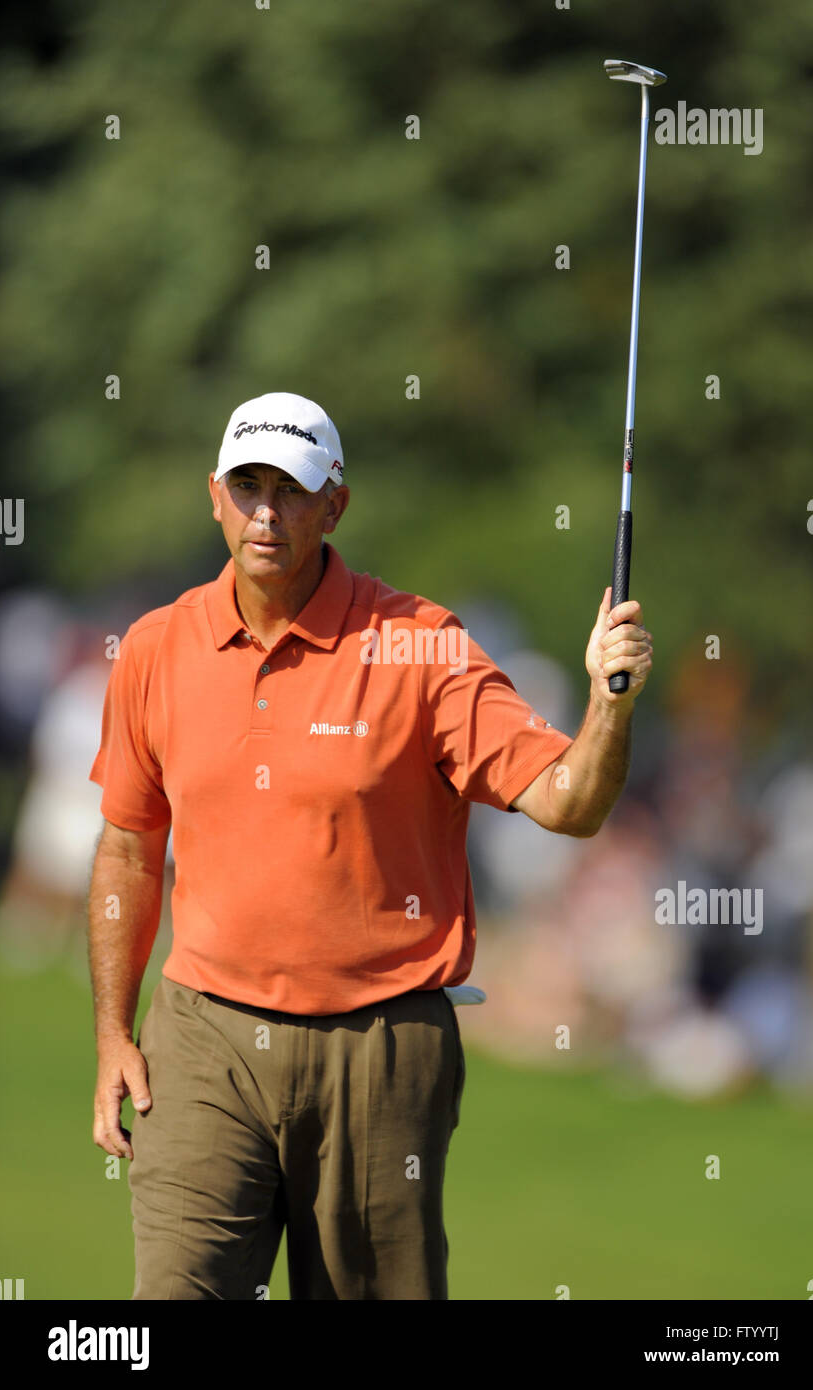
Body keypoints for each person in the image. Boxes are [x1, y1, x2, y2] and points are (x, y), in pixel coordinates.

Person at [87, 391, 653, 1300]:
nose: (265, 512)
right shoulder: (156, 647)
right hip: (203, 1036)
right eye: (247, 486)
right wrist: (114, 1033)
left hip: (380, 1045)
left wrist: (607, 705)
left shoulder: (422, 649)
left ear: (334, 504)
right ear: (214, 495)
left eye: (291, 489)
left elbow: (568, 803)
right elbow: (125, 850)